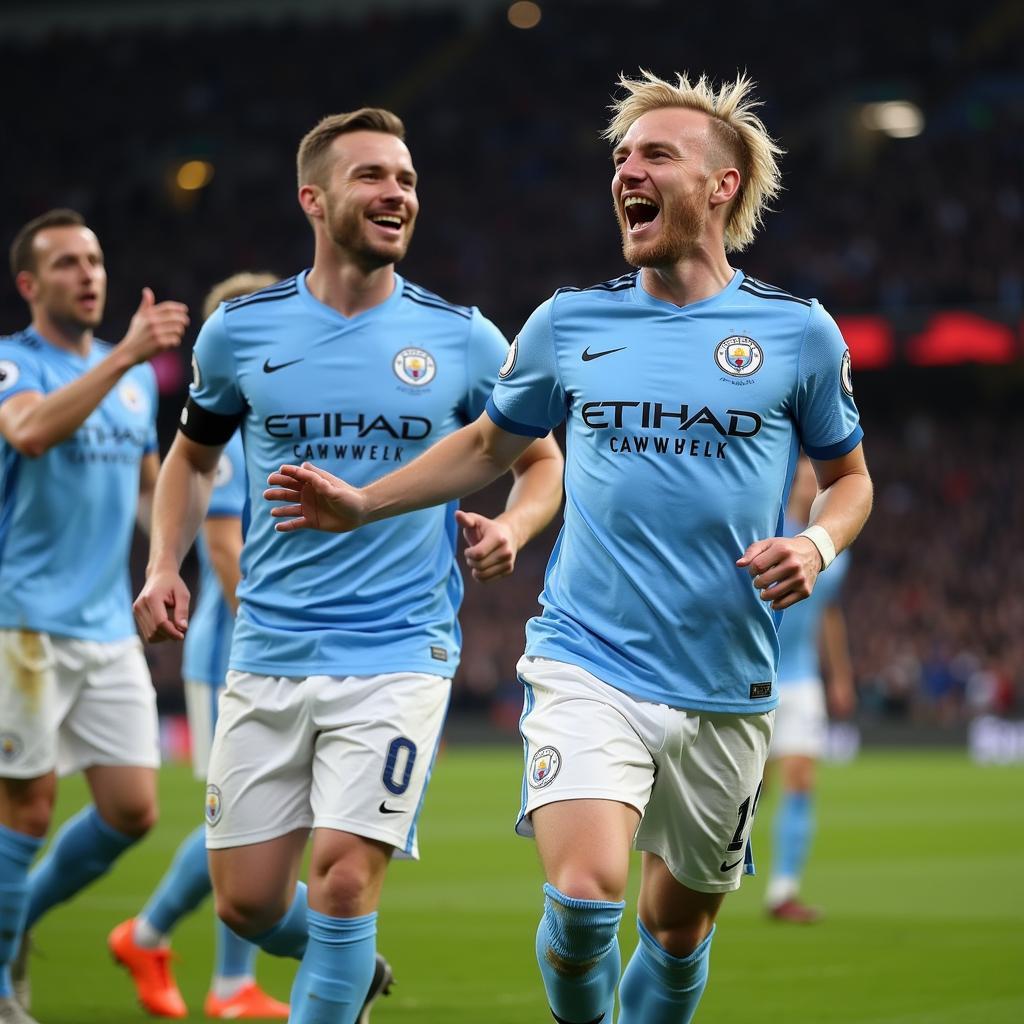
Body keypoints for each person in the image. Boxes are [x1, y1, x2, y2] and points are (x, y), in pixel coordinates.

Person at [262, 71, 874, 1024]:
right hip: (589, 660)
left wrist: (818, 545)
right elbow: (489, 445)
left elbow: (850, 480)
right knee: (586, 903)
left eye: (655, 154)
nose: (627, 170)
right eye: (621, 158)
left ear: (720, 185)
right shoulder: (567, 322)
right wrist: (364, 502)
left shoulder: (796, 334)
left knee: (675, 936)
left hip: (726, 682)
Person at [132, 108, 564, 1024]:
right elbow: (191, 458)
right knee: (247, 900)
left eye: (406, 180)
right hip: (268, 650)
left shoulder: (466, 339)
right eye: (372, 176)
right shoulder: (239, 333)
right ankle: (350, 969)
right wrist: (164, 563)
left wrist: (516, 529)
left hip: (399, 653)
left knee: (338, 881)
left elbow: (542, 459)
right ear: (313, 198)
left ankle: (337, 968)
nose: (396, 194)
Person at [0, 209, 188, 1024]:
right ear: (30, 285)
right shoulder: (14, 363)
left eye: (96, 259)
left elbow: (151, 487)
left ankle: (16, 923)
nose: (89, 274)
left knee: (131, 810)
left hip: (107, 624)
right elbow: (33, 432)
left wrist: (169, 564)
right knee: (27, 810)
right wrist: (125, 354)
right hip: (24, 623)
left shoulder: (137, 382)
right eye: (69, 263)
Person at [108, 272, 292, 1019]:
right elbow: (224, 554)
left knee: (266, 821)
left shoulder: (280, 421)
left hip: (274, 655)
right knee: (246, 821)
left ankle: (206, 971)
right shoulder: (227, 432)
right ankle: (173, 949)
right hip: (234, 655)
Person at [764, 454, 855, 924]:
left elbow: (829, 612)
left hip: (801, 679)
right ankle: (696, 882)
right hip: (751, 677)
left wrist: (839, 674)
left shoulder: (829, 541)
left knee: (800, 779)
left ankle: (783, 891)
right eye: (800, 474)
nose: (806, 482)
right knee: (741, 789)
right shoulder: (767, 529)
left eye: (812, 476)